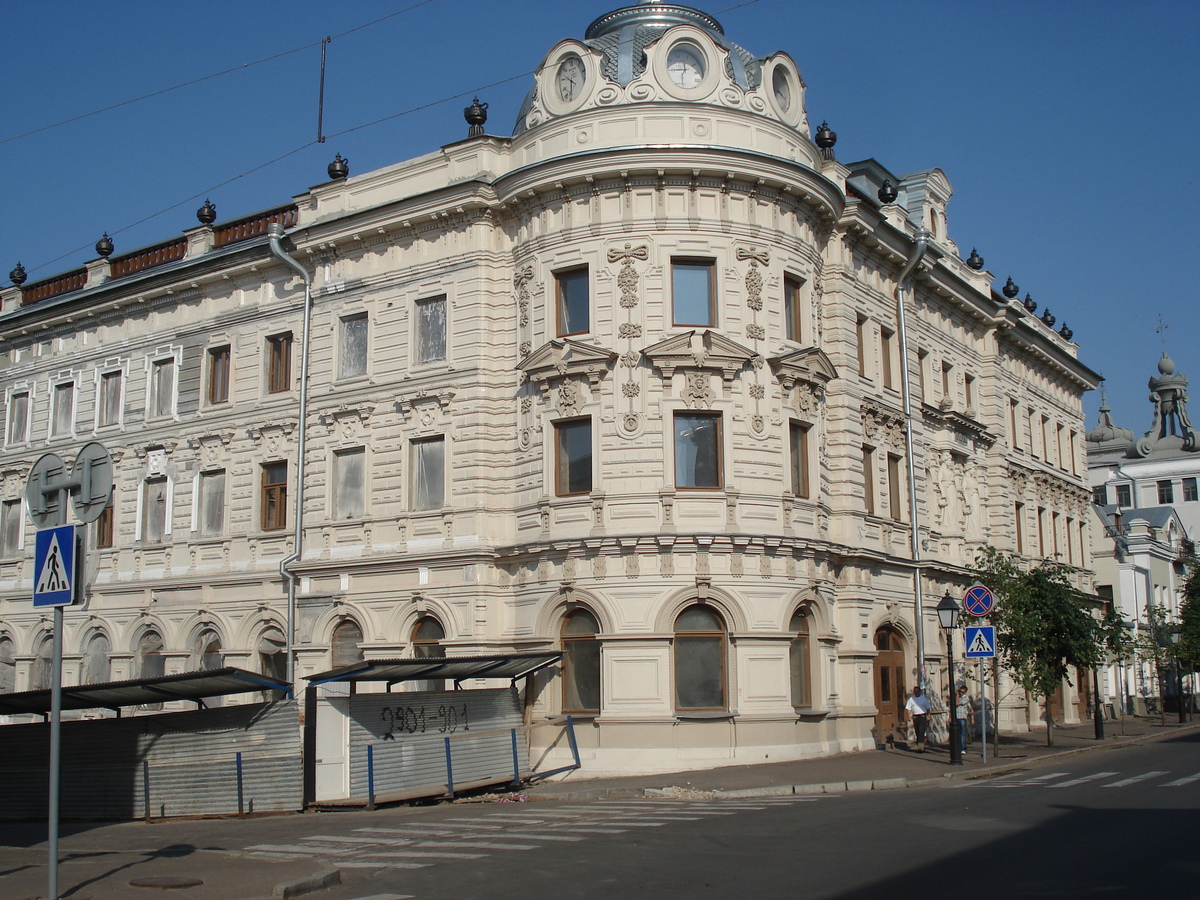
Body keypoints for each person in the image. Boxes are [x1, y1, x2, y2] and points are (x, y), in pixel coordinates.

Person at [905, 686, 931, 752]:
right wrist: (909, 716)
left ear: (919, 692)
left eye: (917, 691)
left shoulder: (923, 699)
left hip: (922, 716)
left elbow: (928, 708)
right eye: (915, 692)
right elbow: (908, 708)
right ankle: (919, 744)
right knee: (917, 731)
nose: (916, 693)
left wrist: (928, 716)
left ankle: (920, 747)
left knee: (921, 731)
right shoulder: (911, 699)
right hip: (915, 716)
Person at [955, 685, 974, 749]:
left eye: (963, 692)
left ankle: (963, 747)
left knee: (963, 733)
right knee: (957, 733)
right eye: (960, 691)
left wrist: (957, 697)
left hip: (962, 717)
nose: (961, 693)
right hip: (956, 716)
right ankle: (958, 746)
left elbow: (956, 703)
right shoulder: (958, 697)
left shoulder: (965, 698)